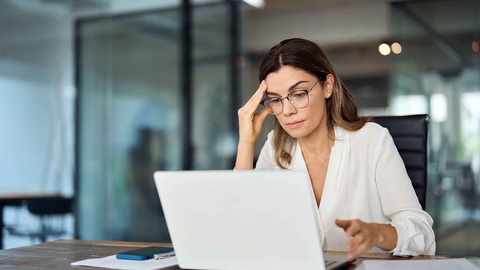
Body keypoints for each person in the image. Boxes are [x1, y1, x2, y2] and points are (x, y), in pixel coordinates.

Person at [235, 38, 435, 260]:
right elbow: (244, 230)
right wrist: (246, 142)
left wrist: (377, 233)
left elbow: (422, 232)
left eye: (299, 94)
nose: (287, 110)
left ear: (327, 86)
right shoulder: (275, 148)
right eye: (275, 100)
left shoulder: (371, 140)